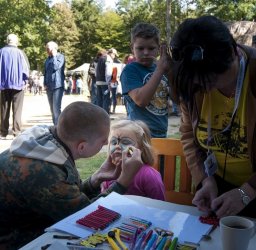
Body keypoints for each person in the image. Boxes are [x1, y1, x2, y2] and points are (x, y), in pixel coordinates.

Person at [169, 16, 256, 223]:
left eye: (211, 80)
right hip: (218, 181)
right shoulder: (190, 79)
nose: (205, 89)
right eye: (198, 83)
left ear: (234, 53)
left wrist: (247, 192)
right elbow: (188, 134)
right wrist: (205, 179)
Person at [0, 101, 144, 249]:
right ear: (82, 146)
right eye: (103, 141)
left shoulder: (45, 143)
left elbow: (66, 196)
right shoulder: (46, 173)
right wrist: (124, 181)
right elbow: (88, 218)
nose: (107, 143)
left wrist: (96, 178)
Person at [120, 23, 170, 138]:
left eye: (151, 48)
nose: (146, 53)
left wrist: (171, 73)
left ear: (159, 48)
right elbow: (141, 100)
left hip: (162, 132)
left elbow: (177, 99)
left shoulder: (161, 69)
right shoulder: (130, 70)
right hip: (139, 134)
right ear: (132, 48)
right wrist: (160, 70)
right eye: (140, 48)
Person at [101, 120, 165, 200]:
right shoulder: (109, 173)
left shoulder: (149, 175)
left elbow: (159, 206)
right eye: (113, 142)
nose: (117, 146)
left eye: (125, 142)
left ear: (141, 148)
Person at [0, 34, 29, 140]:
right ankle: (16, 132)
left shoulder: (1, 52)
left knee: (4, 109)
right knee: (17, 109)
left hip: (4, 84)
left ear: (7, 41)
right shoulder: (20, 53)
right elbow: (26, 69)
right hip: (18, 84)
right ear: (16, 42)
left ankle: (3, 133)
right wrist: (26, 81)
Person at [44, 41, 65, 125]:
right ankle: (55, 126)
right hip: (49, 86)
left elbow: (56, 66)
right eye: (46, 49)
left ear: (53, 49)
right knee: (52, 109)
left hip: (57, 86)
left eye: (48, 48)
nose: (47, 50)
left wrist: (54, 56)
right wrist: (44, 83)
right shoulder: (47, 59)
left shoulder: (60, 57)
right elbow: (45, 72)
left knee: (56, 109)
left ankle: (59, 127)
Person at [96, 48, 118, 114]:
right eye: (114, 55)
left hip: (98, 81)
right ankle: (105, 115)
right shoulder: (108, 59)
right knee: (106, 99)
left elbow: (96, 71)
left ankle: (98, 115)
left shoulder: (100, 58)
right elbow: (108, 72)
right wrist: (109, 83)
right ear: (111, 53)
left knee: (99, 99)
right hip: (104, 82)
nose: (114, 57)